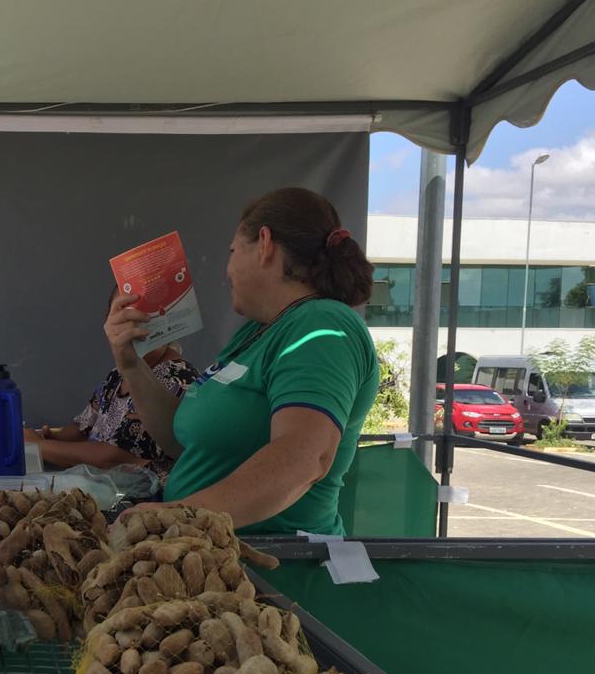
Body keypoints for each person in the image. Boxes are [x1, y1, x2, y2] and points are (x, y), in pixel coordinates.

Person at [104, 188, 378, 535]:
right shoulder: (255, 333)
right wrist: (129, 362)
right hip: (214, 561)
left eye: (233, 251)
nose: (227, 270)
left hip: (279, 570)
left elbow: (306, 457)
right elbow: (185, 443)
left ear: (264, 244)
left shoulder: (322, 326)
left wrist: (180, 515)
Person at [26, 287, 198, 483]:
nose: (136, 324)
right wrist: (47, 440)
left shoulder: (176, 376)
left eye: (145, 314)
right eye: (125, 315)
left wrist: (38, 447)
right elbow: (78, 429)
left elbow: (113, 459)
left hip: (145, 507)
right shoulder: (117, 376)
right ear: (108, 321)